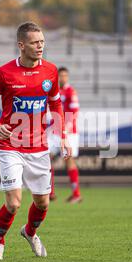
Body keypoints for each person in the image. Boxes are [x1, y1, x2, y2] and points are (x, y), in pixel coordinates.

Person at [0, 22, 71, 260]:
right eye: (34, 42)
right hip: (11, 146)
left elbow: (55, 104)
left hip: (39, 145)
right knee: (14, 203)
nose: (40, 46)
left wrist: (62, 135)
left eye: (42, 41)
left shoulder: (50, 71)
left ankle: (30, 232)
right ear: (21, 45)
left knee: (42, 204)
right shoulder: (4, 73)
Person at [48, 67, 82, 203]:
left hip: (69, 132)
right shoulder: (54, 91)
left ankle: (76, 193)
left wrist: (66, 128)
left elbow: (74, 112)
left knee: (69, 160)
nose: (63, 78)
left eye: (65, 75)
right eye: (61, 75)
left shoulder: (70, 91)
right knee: (46, 158)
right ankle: (50, 192)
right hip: (55, 131)